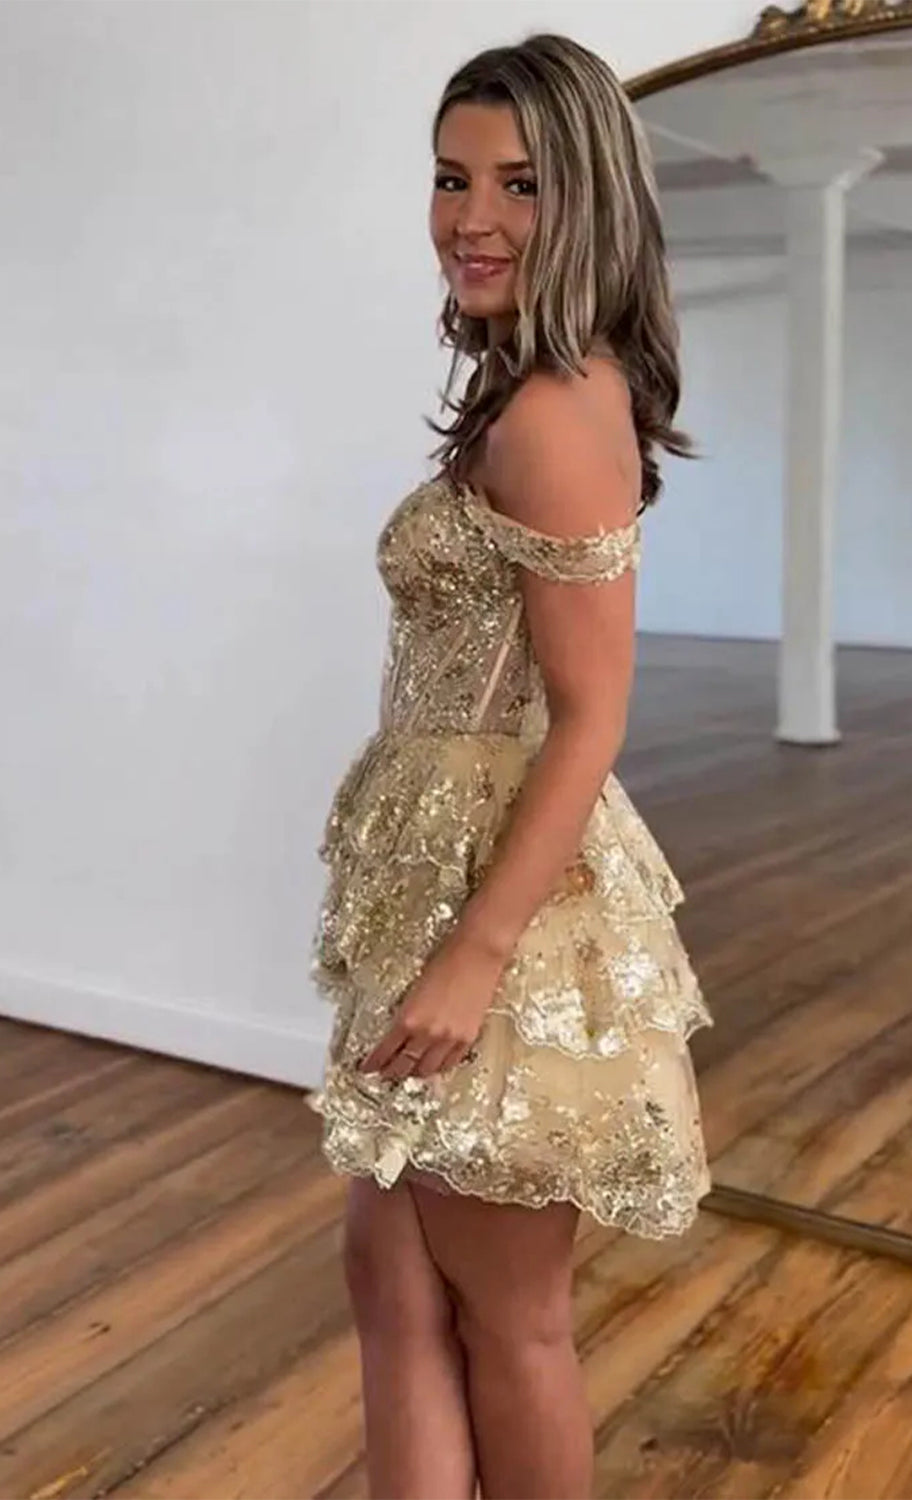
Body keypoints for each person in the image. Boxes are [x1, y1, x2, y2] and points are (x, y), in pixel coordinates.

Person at [305, 32, 713, 1500]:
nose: (471, 217)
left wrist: (475, 958)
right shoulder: (523, 390)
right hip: (434, 872)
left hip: (503, 905)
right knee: (392, 1271)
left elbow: (592, 715)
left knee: (509, 1310)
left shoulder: (553, 412)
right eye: (452, 177)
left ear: (587, 198)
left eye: (520, 184)